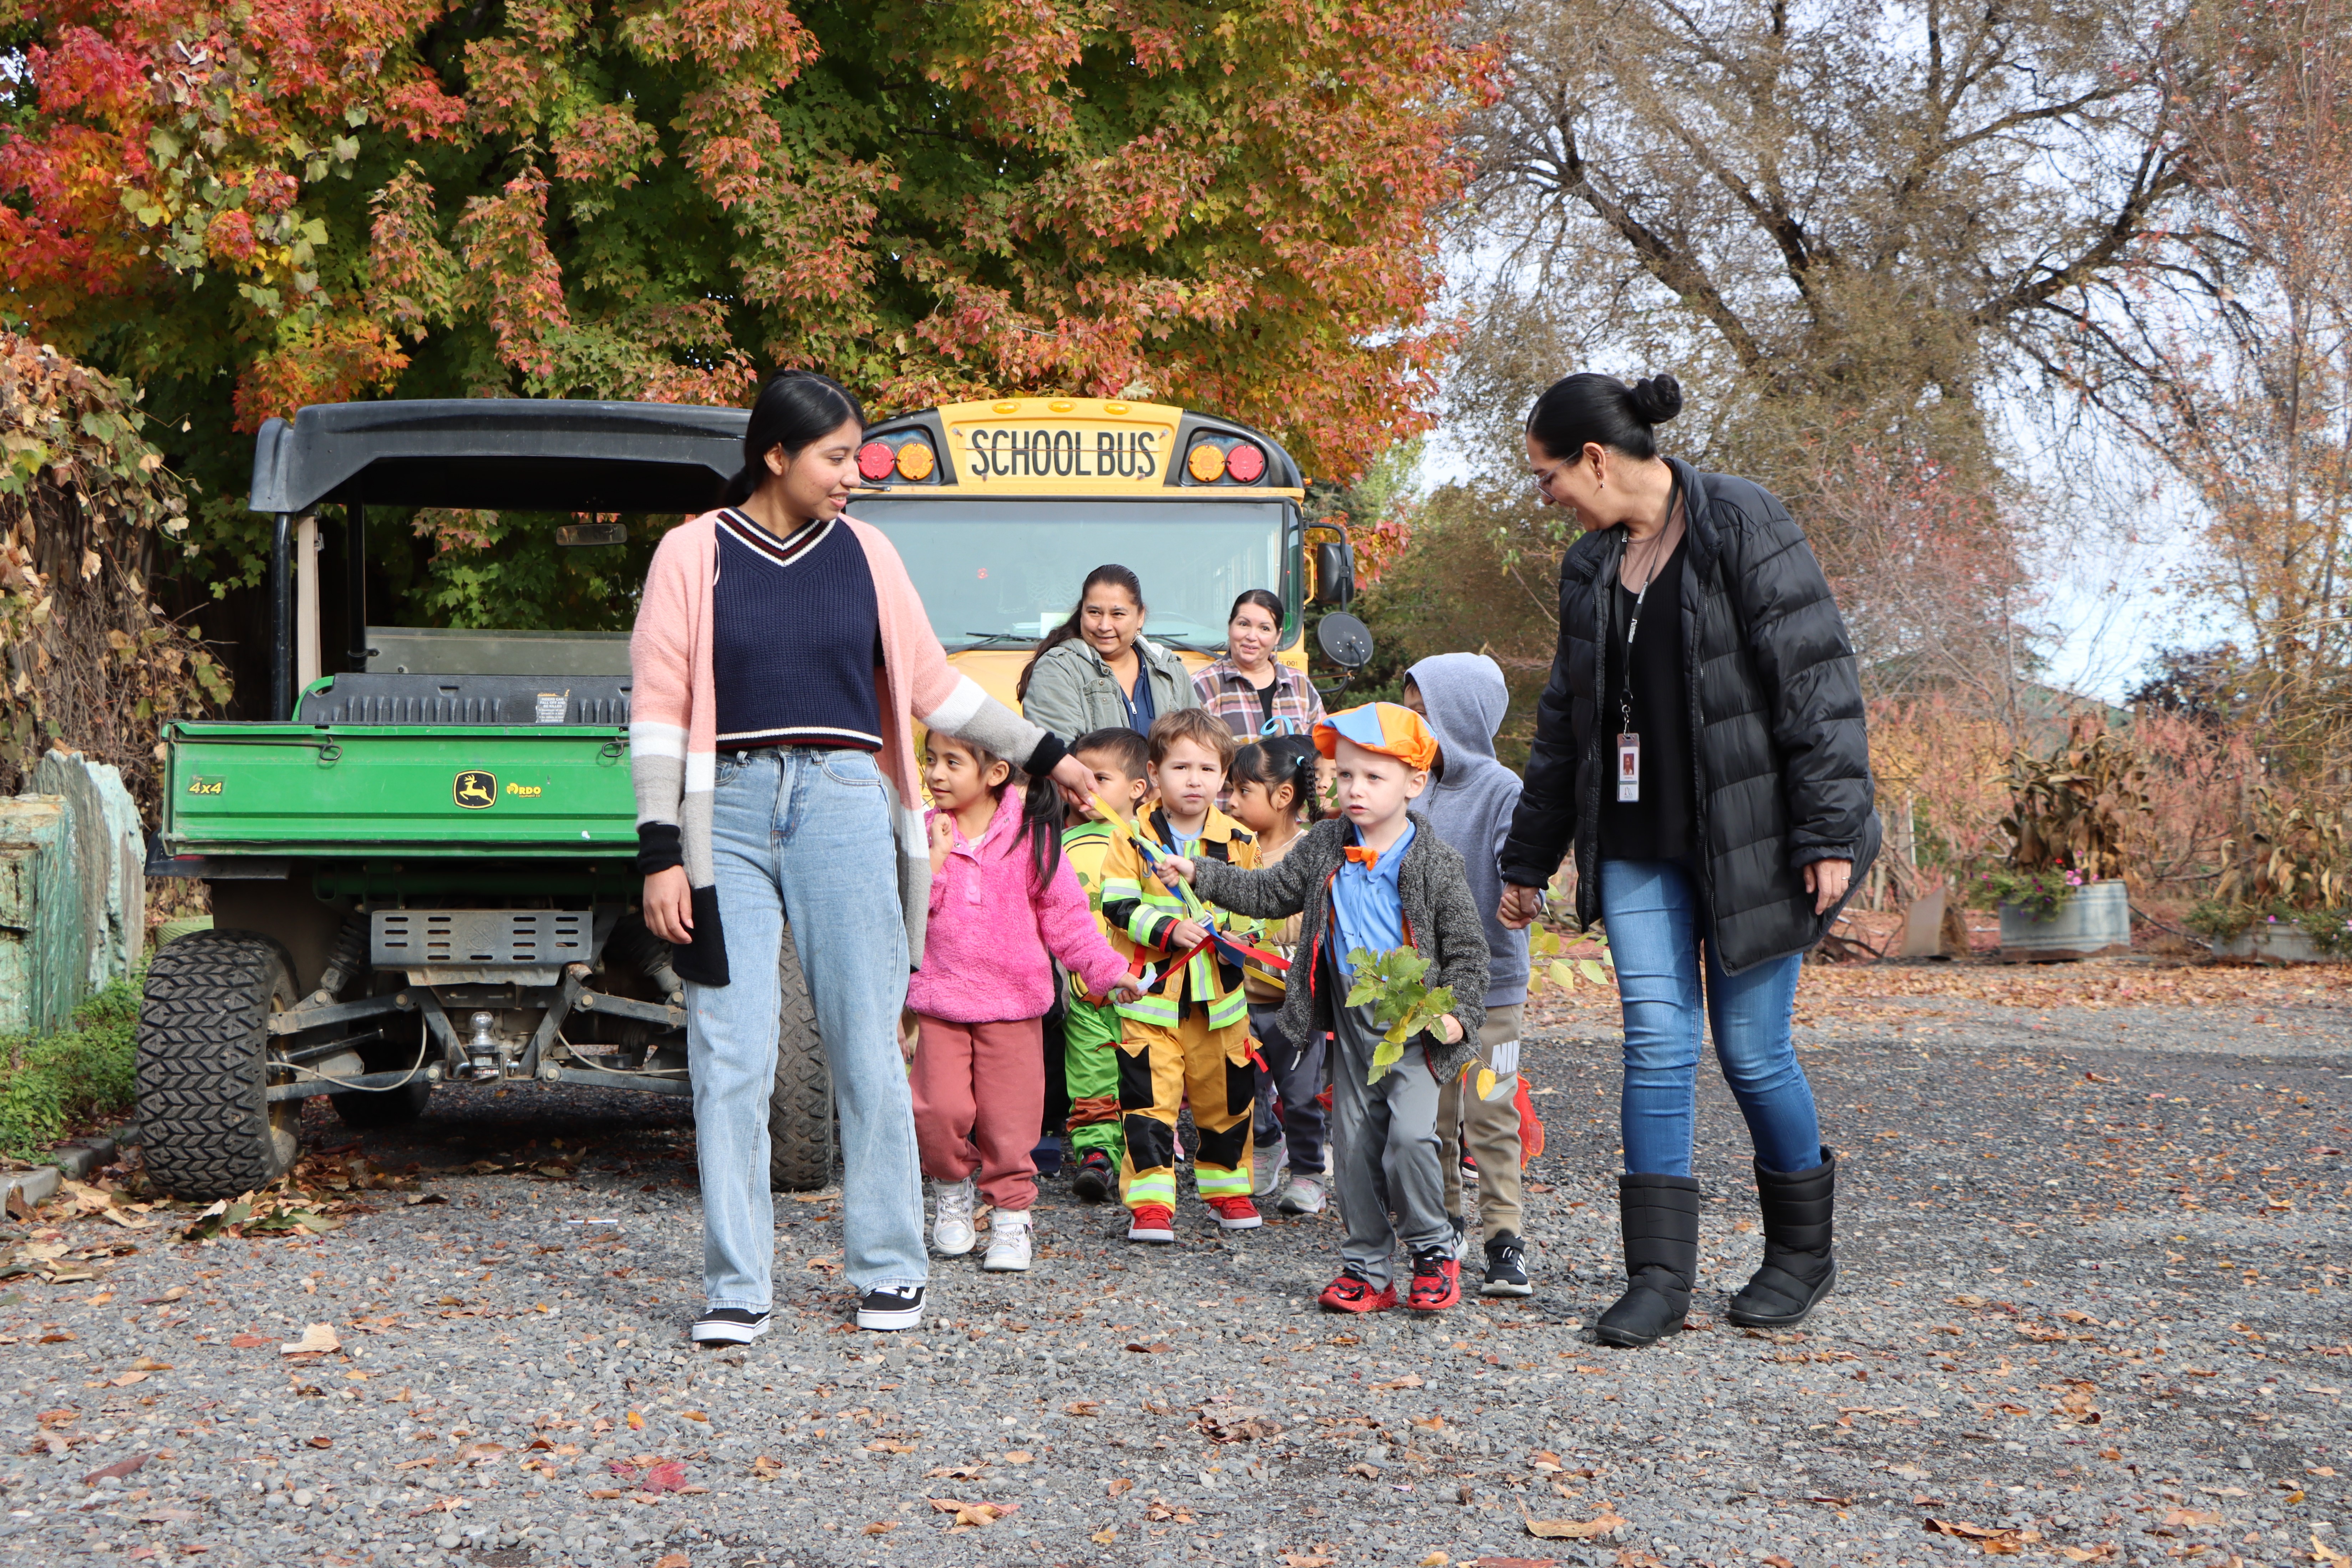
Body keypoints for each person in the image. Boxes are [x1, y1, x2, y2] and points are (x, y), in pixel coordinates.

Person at [632, 369, 1100, 1345]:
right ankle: (736, 1285)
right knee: (730, 1055)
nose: (854, 475)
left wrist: (1049, 754)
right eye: (837, 457)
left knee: (867, 1048)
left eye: (857, 457)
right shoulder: (692, 553)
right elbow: (661, 712)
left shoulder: (870, 555)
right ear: (776, 456)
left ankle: (889, 1267)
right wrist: (660, 852)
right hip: (725, 815)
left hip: (847, 804)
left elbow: (938, 690)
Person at [1495, 371, 1879, 1348]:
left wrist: (1829, 832)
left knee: (1752, 1051)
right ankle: (1659, 1276)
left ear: (1593, 458)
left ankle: (1801, 1255)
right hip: (1634, 842)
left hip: (1753, 838)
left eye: (1547, 478)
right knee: (1658, 1046)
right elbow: (1562, 726)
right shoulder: (1589, 568)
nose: (1547, 498)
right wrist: (1528, 859)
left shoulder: (1739, 518)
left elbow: (1817, 678)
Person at [1161, 703, 1491, 1314]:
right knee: (1357, 1146)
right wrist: (1199, 873)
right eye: (1344, 776)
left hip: (1415, 1030)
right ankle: (1367, 1265)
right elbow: (1269, 892)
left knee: (1412, 1140)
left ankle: (1431, 1248)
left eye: (1373, 777)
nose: (1354, 790)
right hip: (1349, 1025)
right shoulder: (1324, 845)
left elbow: (1470, 953)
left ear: (1413, 784)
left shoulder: (1434, 863)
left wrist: (1459, 1015)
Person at [907, 734, 1141, 1273]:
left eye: (952, 763)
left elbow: (1068, 918)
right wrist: (936, 860)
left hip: (1013, 1005)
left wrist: (1108, 972)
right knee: (936, 1110)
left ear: (995, 774)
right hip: (941, 1002)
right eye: (930, 762)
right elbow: (907, 913)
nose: (936, 774)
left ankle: (1012, 1217)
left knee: (1009, 1121)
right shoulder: (921, 833)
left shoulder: (1034, 837)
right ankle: (951, 1189)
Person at [1097, 708, 1263, 1241]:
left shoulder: (1240, 840)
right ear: (1154, 773)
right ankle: (1150, 1202)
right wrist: (1170, 930)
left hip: (1221, 1003)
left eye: (1207, 769)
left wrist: (1233, 931)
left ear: (1224, 777)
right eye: (1180, 767)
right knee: (1148, 1100)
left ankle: (1227, 1191)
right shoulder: (1132, 838)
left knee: (1228, 1096)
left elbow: (1258, 909)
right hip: (1152, 1001)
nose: (1194, 780)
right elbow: (1116, 905)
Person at [1402, 655, 1534, 1297]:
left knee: (1491, 1109)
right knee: (1435, 1115)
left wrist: (1525, 889)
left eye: (1422, 712)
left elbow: (1523, 863)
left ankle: (1503, 1238)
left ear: (1459, 716)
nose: (1412, 723)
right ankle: (1446, 1224)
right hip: (1425, 993)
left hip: (1496, 993)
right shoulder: (1410, 787)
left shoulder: (1501, 788)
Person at [1223, 736, 1327, 1214]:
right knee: (1243, 1090)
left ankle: (1308, 1171)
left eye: (1243, 791)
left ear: (1283, 797)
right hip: (1236, 1000)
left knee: (1300, 1094)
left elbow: (1307, 922)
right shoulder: (1229, 848)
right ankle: (1265, 1146)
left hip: (1293, 1004)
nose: (1230, 802)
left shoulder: (1310, 852)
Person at [1058, 727, 1154, 1202]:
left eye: (1099, 777)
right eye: (1078, 777)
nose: (1085, 788)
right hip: (1084, 991)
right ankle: (1096, 1154)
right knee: (1090, 1073)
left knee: (1141, 1073)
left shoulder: (1149, 844)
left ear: (1137, 788)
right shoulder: (1061, 842)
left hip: (1141, 989)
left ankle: (1145, 1152)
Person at [1017, 564, 1201, 739]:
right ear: (1082, 613)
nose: (1104, 626)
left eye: (1118, 614)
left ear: (1140, 616)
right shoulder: (1057, 670)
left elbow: (1197, 743)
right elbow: (1060, 759)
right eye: (1095, 613)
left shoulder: (1170, 669)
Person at [1193, 589, 1328, 738]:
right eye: (1244, 624)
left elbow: (1323, 746)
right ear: (1230, 627)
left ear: (1278, 636)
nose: (1252, 636)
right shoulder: (1203, 685)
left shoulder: (1300, 683)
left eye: (1265, 628)